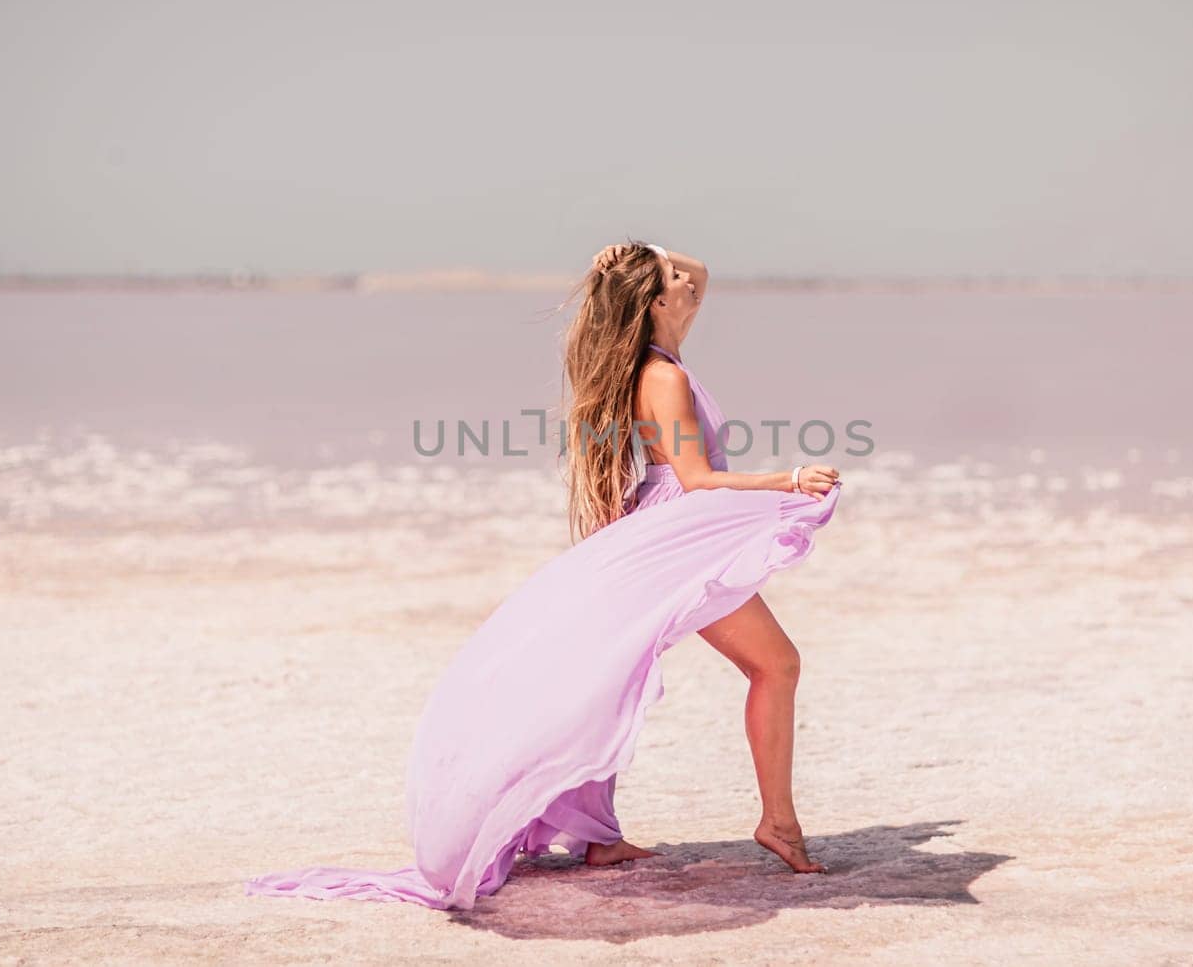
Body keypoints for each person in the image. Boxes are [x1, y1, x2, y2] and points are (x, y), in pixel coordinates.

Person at [244, 241, 843, 910]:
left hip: (664, 531)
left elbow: (702, 271)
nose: (688, 280)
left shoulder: (663, 353)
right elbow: (698, 480)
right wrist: (788, 479)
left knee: (609, 678)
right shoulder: (663, 375)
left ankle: (601, 835)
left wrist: (645, 251)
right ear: (656, 302)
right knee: (775, 664)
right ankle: (776, 821)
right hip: (675, 537)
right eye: (672, 277)